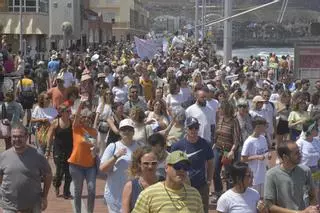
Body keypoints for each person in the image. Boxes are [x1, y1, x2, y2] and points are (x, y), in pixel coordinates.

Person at [0, 122, 52, 213]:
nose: (17, 139)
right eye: (14, 136)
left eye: (20, 136)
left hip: (33, 205)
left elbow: (48, 174)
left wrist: (44, 196)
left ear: (26, 137)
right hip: (9, 206)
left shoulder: (37, 155)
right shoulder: (3, 156)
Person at [132, 150, 204, 213]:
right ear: (166, 167)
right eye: (177, 166)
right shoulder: (148, 194)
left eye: (185, 167)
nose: (182, 170)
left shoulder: (194, 195)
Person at [171, 117, 214, 213]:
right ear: (186, 129)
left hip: (201, 185)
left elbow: (211, 163)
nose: (194, 130)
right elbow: (171, 165)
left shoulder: (205, 144)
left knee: (202, 210)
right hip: (183, 186)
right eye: (191, 128)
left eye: (196, 127)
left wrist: (209, 180)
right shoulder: (178, 146)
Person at [264, 141, 318, 212]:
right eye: (296, 153)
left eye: (299, 151)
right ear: (285, 157)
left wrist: (313, 209)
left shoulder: (305, 171)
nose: (300, 155)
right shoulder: (271, 175)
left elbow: (312, 195)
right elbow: (269, 206)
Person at [100, 118, 139, 213]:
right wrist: (116, 156)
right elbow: (102, 168)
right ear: (119, 132)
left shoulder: (139, 147)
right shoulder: (113, 146)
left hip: (133, 193)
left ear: (133, 132)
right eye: (123, 129)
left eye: (129, 129)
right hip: (114, 194)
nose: (126, 131)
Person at [68, 97, 98, 213]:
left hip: (90, 166)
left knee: (91, 190)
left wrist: (96, 149)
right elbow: (76, 116)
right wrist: (81, 103)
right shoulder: (76, 128)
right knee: (78, 191)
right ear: (81, 118)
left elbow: (96, 148)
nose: (86, 119)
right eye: (84, 117)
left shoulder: (94, 131)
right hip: (76, 165)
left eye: (88, 117)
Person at [46, 103, 73, 199]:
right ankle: (56, 185)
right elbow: (49, 137)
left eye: (69, 111)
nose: (69, 112)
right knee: (59, 173)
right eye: (67, 111)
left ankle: (66, 192)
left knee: (69, 173)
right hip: (58, 151)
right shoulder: (55, 122)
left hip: (70, 151)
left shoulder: (71, 122)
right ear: (61, 113)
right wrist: (48, 150)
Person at [241, 116, 271, 197]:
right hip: (254, 176)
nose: (266, 127)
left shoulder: (263, 138)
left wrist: (268, 155)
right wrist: (257, 157)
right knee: (254, 198)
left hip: (264, 173)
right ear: (258, 127)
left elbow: (266, 151)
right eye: (264, 126)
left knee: (263, 198)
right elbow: (243, 159)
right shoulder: (249, 142)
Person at [122, 146, 158, 213]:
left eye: (154, 163)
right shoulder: (130, 186)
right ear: (139, 164)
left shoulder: (164, 182)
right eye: (146, 163)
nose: (150, 166)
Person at [296, 120, 320, 205]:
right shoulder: (300, 142)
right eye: (315, 128)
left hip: (316, 171)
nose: (318, 130)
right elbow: (295, 160)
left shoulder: (317, 141)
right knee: (305, 196)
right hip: (303, 172)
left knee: (316, 194)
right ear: (310, 130)